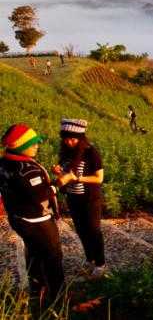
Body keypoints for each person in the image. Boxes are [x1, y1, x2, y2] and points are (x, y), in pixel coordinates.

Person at [0, 124, 65, 303]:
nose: (37, 145)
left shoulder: (4, 162)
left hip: (17, 217)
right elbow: (40, 195)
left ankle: (38, 291)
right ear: (20, 146)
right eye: (33, 143)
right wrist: (59, 182)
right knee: (53, 256)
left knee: (34, 252)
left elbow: (23, 189)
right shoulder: (26, 169)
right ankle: (59, 299)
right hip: (38, 221)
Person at [52, 118, 106, 278]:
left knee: (94, 231)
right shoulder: (66, 153)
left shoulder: (91, 152)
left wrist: (77, 178)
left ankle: (101, 264)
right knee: (82, 231)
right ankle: (90, 260)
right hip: (73, 198)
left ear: (81, 138)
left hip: (90, 199)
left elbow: (98, 178)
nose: (69, 142)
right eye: (66, 138)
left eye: (73, 138)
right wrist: (59, 172)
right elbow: (67, 176)